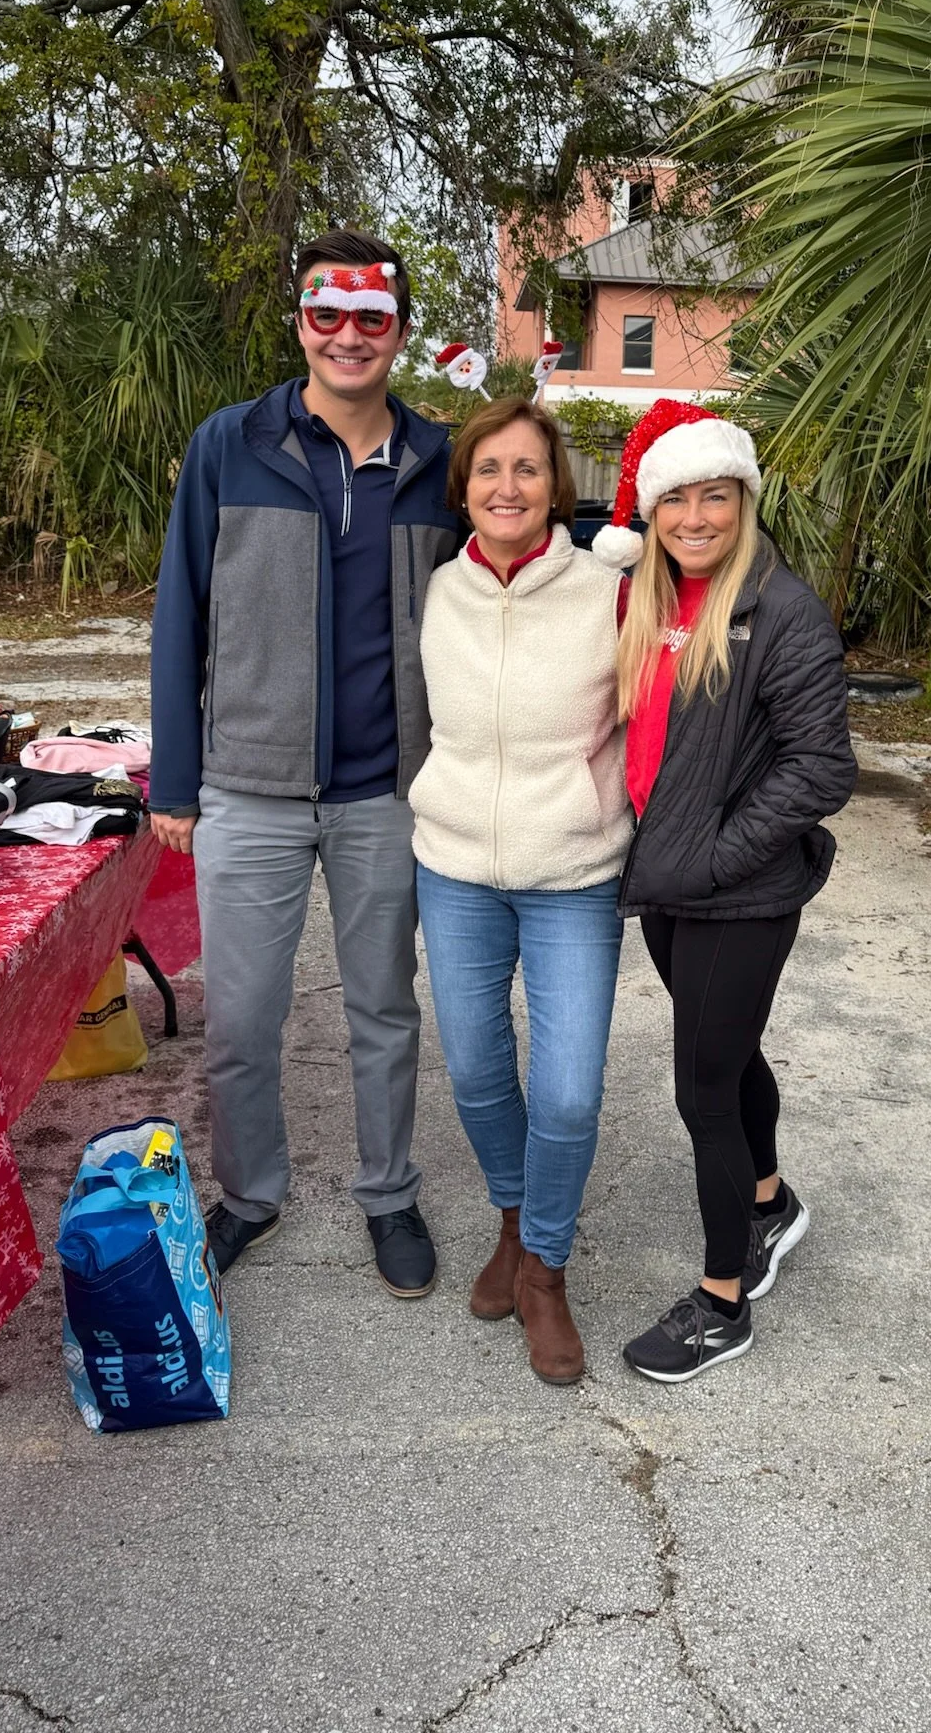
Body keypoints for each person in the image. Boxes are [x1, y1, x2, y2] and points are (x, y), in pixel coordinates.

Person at [148, 228, 460, 1294]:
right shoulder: (230, 445)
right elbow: (179, 616)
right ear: (301, 323)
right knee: (241, 1018)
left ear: (399, 334)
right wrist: (177, 782)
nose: (347, 336)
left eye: (371, 318)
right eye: (327, 314)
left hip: (388, 792)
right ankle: (248, 1194)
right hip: (247, 787)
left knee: (384, 1005)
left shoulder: (439, 462)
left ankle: (388, 1191)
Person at [591, 400, 858, 1381]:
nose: (696, 516)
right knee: (732, 1052)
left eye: (716, 496)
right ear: (652, 512)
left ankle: (721, 1301)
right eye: (677, 500)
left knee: (703, 1088)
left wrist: (712, 855)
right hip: (669, 883)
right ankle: (769, 1201)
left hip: (736, 891)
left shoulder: (778, 609)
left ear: (744, 501)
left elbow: (819, 767)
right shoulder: (648, 603)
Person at [409, 397, 628, 1384]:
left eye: (528, 469)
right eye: (488, 468)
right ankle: (513, 1218)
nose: (507, 486)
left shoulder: (607, 592)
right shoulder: (438, 590)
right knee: (477, 1070)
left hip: (573, 872)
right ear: (464, 485)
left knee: (571, 1093)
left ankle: (545, 1267)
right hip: (453, 865)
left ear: (556, 487)